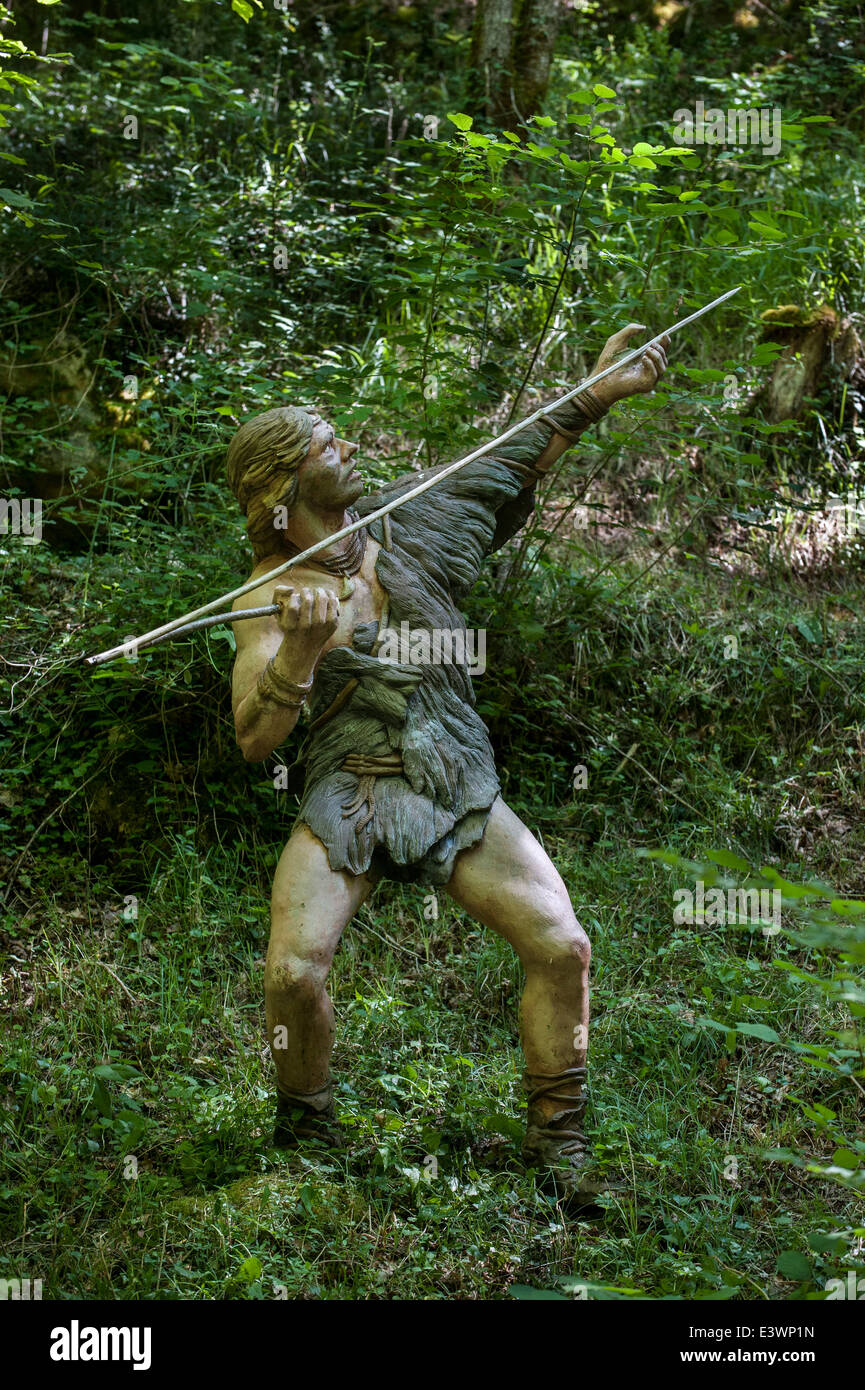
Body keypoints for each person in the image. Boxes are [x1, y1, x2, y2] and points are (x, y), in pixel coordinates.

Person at [226, 325, 669, 1200]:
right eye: (324, 442)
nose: (345, 446)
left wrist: (597, 389)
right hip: (346, 794)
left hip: (451, 780)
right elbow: (253, 739)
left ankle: (560, 1146)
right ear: (282, 482)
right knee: (290, 971)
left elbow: (501, 464)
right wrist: (296, 658)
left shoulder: (406, 526)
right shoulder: (262, 598)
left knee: (563, 947)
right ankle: (305, 1135)